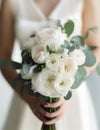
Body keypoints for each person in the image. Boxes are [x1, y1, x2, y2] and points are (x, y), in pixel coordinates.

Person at [0, 0, 100, 130]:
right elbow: (3, 57)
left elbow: (96, 48)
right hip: (28, 99)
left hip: (71, 97)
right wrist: (27, 95)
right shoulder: (10, 2)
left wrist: (71, 82)